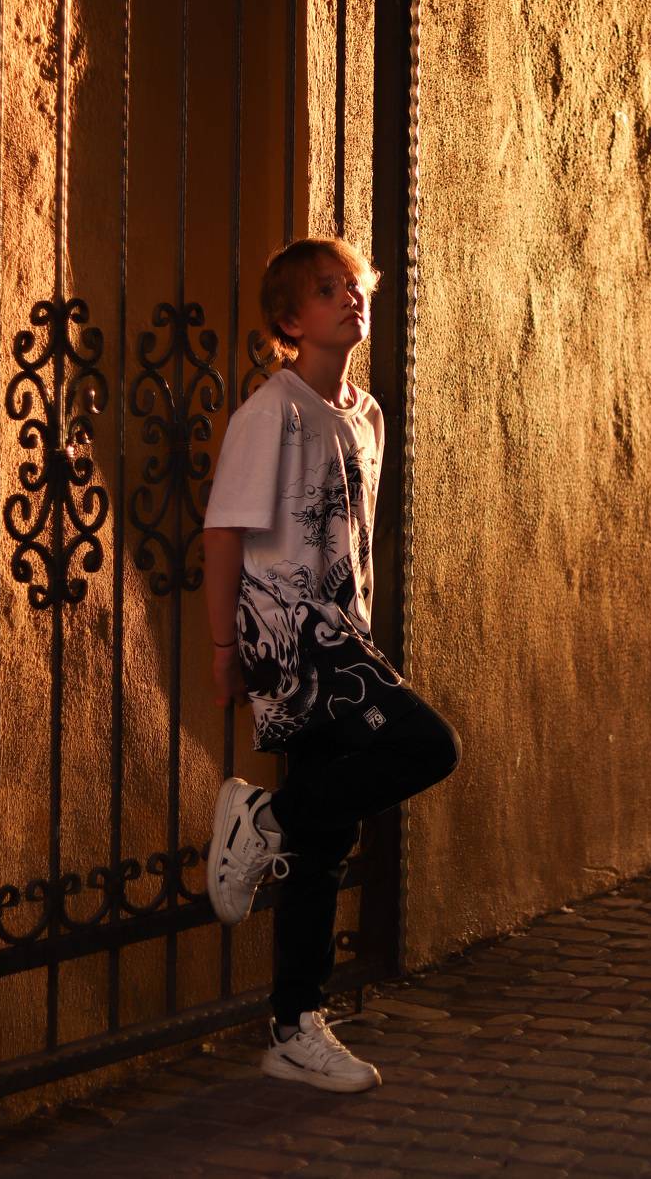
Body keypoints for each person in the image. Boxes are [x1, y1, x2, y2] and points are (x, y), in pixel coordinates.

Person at [203, 236, 461, 1093]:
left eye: (354, 286)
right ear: (289, 319)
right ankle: (263, 817)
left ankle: (294, 1026)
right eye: (326, 289)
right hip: (291, 636)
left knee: (324, 838)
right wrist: (223, 651)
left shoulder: (366, 413)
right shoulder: (269, 412)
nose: (349, 299)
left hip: (343, 633)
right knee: (429, 746)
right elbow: (223, 534)